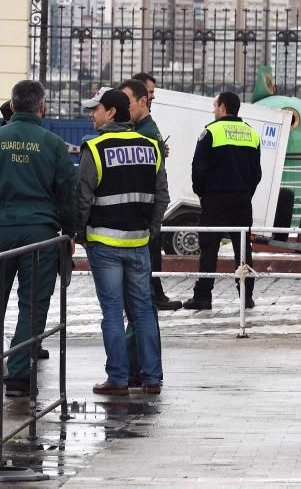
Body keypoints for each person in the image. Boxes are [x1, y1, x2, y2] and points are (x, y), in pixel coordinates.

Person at [0, 80, 77, 396]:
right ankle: (17, 376)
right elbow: (68, 193)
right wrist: (69, 232)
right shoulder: (53, 144)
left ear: (12, 106)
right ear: (42, 106)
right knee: (32, 305)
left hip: (2, 232)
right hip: (41, 234)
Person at [78, 88, 168, 395]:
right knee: (143, 311)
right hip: (139, 243)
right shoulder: (151, 147)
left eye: (96, 109)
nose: (92, 114)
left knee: (113, 312)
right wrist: (151, 230)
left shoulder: (95, 147)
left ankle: (117, 378)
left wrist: (79, 234)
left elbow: (83, 199)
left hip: (104, 244)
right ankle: (152, 377)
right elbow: (162, 196)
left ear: (111, 112)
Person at [183, 91, 262, 311]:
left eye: (215, 106)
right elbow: (257, 173)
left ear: (223, 108)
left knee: (209, 249)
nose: (213, 110)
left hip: (214, 199)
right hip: (242, 200)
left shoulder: (210, 132)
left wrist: (202, 194)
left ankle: (203, 296)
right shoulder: (251, 134)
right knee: (243, 249)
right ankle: (246, 296)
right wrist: (246, 192)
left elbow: (198, 168)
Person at [119, 78, 181, 311]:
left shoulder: (143, 131)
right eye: (150, 92)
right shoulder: (143, 128)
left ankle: (153, 298)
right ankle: (154, 297)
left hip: (143, 214)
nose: (153, 96)